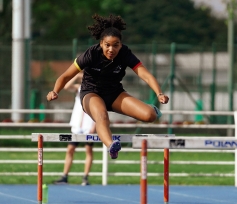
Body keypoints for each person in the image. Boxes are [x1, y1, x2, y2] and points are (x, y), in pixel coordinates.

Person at [46, 14, 169, 160]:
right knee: (102, 117)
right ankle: (111, 146)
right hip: (91, 93)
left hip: (114, 93)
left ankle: (151, 109)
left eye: (116, 45)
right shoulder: (91, 54)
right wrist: (55, 91)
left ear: (120, 45)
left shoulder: (125, 54)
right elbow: (66, 76)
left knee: (150, 116)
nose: (111, 49)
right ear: (101, 44)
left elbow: (146, 75)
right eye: (107, 45)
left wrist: (159, 93)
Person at [53, 72, 96, 186]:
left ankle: (85, 177)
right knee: (70, 149)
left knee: (88, 150)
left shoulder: (97, 90)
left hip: (88, 125)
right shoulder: (79, 88)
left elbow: (101, 110)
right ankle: (65, 176)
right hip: (77, 125)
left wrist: (94, 126)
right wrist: (76, 76)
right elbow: (66, 86)